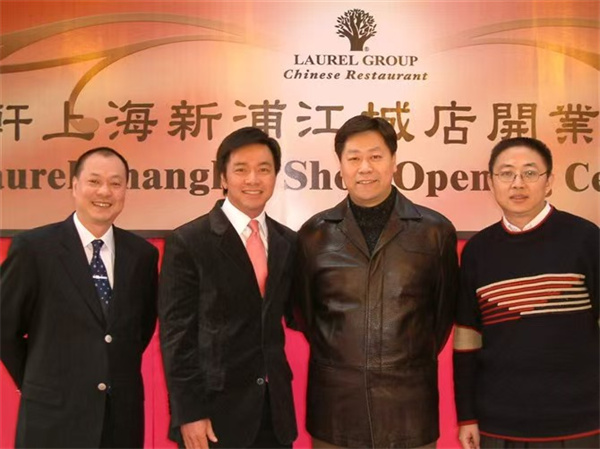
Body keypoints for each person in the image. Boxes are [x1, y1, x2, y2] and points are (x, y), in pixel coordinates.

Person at [294, 115, 459, 448]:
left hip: (409, 409)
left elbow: (441, 318)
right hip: (336, 410)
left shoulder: (434, 232)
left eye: (375, 156)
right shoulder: (314, 235)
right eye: (354, 158)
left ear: (394, 161)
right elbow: (306, 315)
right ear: (340, 165)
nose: (365, 167)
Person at [0, 147, 159, 448]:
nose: (105, 191)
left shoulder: (142, 255)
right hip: (52, 419)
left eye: (115, 183)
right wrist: (36, 381)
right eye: (94, 181)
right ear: (74, 186)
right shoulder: (34, 248)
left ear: (125, 190)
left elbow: (140, 330)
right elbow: (4, 326)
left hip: (119, 421)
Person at [453, 137, 599, 449]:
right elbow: (467, 339)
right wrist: (467, 416)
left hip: (581, 422)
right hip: (500, 425)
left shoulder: (586, 239)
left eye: (530, 173)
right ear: (491, 182)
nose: (517, 183)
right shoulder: (477, 251)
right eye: (506, 173)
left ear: (549, 181)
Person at [158, 127, 297, 449]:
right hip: (213, 415)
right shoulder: (189, 241)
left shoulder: (287, 241)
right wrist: (189, 412)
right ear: (222, 177)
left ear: (275, 176)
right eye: (241, 169)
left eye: (264, 169)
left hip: (273, 414)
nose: (253, 179)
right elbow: (177, 335)